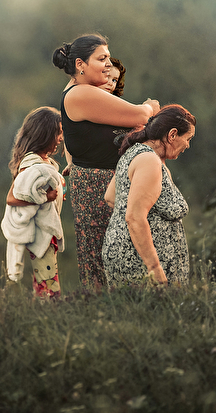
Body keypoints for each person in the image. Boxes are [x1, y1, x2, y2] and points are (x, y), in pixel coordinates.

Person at [52, 34, 159, 289]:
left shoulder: (82, 91)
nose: (109, 64)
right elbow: (139, 116)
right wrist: (150, 106)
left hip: (100, 182)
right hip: (99, 187)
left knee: (112, 253)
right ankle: (108, 307)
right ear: (80, 64)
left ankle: (113, 304)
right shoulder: (80, 93)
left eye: (109, 58)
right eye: (102, 59)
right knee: (108, 254)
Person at [102, 104, 196, 285]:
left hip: (123, 252)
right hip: (140, 262)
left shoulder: (135, 152)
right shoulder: (149, 160)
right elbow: (134, 217)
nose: (188, 145)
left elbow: (111, 197)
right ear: (172, 135)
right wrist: (154, 267)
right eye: (188, 138)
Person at [1, 107, 66, 298]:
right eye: (58, 133)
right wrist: (46, 198)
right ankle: (49, 309)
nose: (61, 138)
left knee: (46, 277)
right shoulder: (31, 165)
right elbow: (12, 198)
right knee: (48, 281)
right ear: (45, 134)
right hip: (40, 231)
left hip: (47, 228)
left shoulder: (44, 162)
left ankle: (45, 306)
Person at [62, 56, 127, 175]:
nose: (110, 83)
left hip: (117, 171)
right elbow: (69, 134)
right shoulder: (82, 103)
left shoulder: (117, 106)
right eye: (107, 77)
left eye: (114, 80)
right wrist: (71, 162)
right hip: (91, 173)